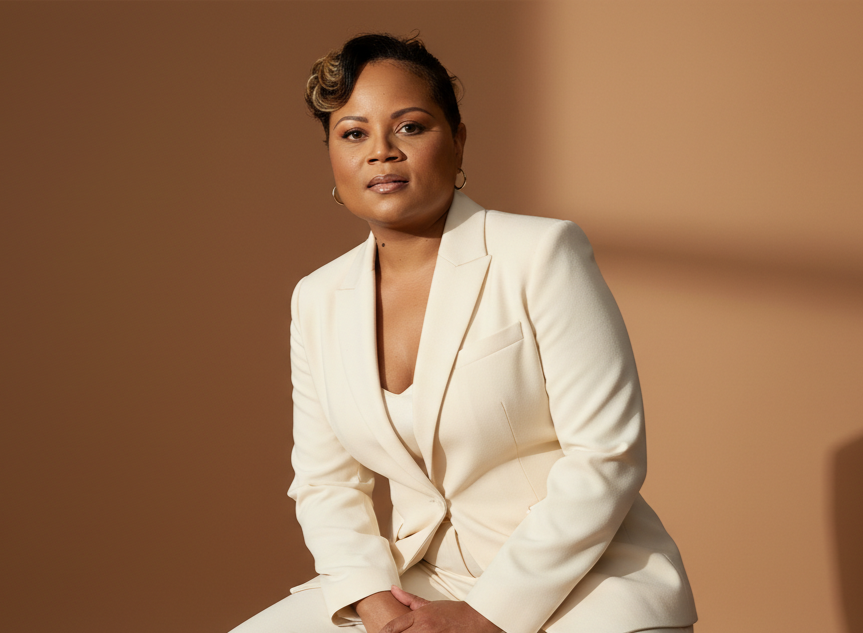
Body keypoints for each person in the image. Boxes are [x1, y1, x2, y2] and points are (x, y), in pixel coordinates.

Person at [231, 33, 697, 633]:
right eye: (353, 133)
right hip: (422, 582)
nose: (381, 152)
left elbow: (607, 455)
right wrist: (371, 598)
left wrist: (486, 615)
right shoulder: (317, 298)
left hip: (583, 586)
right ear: (332, 157)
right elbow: (327, 482)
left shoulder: (539, 253)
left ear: (457, 142)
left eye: (410, 127)